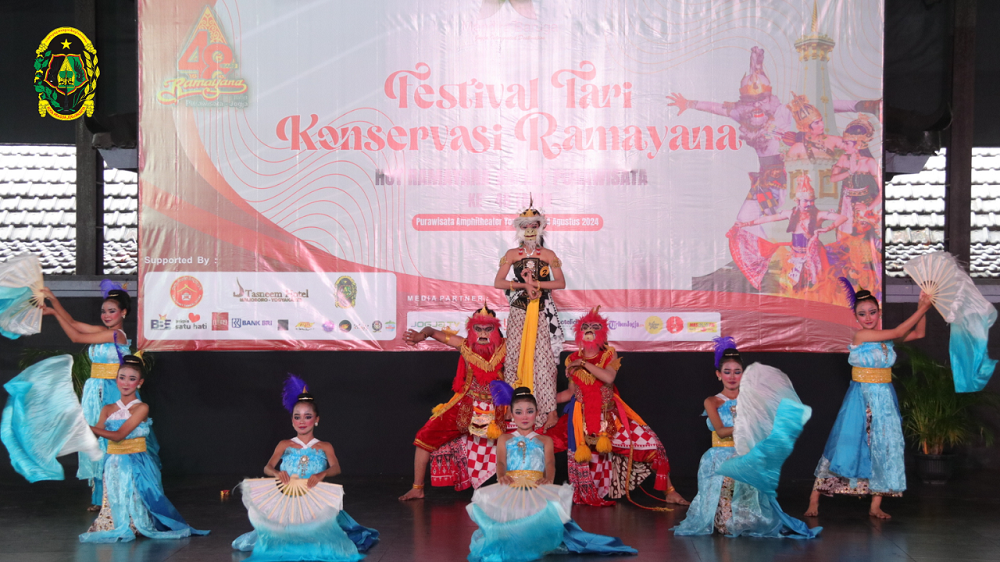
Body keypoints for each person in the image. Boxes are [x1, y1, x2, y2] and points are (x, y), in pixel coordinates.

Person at [806, 280, 932, 520]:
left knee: (883, 447)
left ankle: (875, 504)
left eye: (872, 312)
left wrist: (921, 307)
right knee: (845, 445)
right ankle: (815, 497)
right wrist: (923, 308)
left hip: (884, 398)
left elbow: (919, 333)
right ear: (856, 317)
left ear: (879, 312)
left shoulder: (885, 339)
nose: (868, 317)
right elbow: (897, 331)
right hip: (861, 397)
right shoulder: (861, 335)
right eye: (862, 314)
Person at [467, 387, 637, 561]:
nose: (524, 416)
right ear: (511, 414)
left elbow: (549, 462)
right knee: (508, 521)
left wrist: (548, 478)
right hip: (511, 485)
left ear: (537, 413)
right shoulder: (505, 438)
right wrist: (501, 474)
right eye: (519, 412)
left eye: (529, 411)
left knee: (540, 517)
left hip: (536, 485)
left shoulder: (545, 440)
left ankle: (534, 542)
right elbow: (501, 461)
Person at [673, 337, 819, 538]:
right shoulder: (712, 401)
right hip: (720, 455)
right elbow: (721, 431)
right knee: (726, 524)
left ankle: (746, 516)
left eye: (737, 372)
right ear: (718, 374)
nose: (732, 377)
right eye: (727, 372)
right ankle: (723, 516)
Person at [233, 375, 378, 560]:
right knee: (282, 537)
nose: (302, 421)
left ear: (316, 419)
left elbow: (336, 468)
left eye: (307, 417)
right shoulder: (285, 444)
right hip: (289, 498)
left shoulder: (324, 446)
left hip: (315, 500)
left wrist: (322, 474)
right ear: (292, 421)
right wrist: (278, 473)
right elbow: (267, 467)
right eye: (297, 417)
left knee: (323, 538)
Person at [41, 281, 157, 510]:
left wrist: (54, 308)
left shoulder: (117, 335)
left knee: (111, 438)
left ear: (123, 312)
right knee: (97, 440)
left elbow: (75, 336)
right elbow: (73, 324)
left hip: (112, 390)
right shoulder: (105, 332)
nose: (106, 315)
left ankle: (119, 493)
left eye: (111, 311)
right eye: (103, 311)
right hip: (95, 390)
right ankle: (100, 497)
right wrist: (54, 305)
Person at [557, 306, 688, 507]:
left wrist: (584, 364)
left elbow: (609, 377)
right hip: (580, 421)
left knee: (653, 446)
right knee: (547, 440)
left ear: (602, 332)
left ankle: (669, 491)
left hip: (610, 418)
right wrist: (543, 401)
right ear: (578, 332)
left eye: (595, 326)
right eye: (585, 327)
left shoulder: (608, 353)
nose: (589, 330)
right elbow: (570, 393)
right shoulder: (571, 359)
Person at [79, 355, 208, 542]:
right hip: (113, 462)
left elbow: (118, 435)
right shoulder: (107, 408)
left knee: (138, 497)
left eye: (132, 379)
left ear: (139, 383)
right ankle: (115, 523)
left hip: (137, 462)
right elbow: (96, 435)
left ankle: (136, 524)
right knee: (115, 497)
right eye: (122, 377)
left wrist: (87, 427)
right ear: (116, 379)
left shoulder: (141, 408)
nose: (125, 383)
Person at [398, 305, 509, 500]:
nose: (483, 333)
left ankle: (517, 487)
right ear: (471, 330)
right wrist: (420, 336)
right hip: (466, 405)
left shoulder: (507, 347)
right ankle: (418, 487)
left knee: (525, 439)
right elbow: (432, 331)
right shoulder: (463, 344)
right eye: (478, 329)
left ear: (496, 329)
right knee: (424, 437)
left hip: (499, 408)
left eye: (488, 329)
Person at [494, 199, 565, 430]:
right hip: (519, 310)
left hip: (542, 311)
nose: (530, 230)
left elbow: (561, 283)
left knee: (543, 360)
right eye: (525, 226)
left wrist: (537, 285)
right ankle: (509, 408)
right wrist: (523, 287)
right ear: (520, 229)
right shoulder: (512, 254)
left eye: (534, 225)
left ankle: (550, 411)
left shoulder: (548, 254)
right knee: (514, 356)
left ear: (541, 227)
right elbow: (498, 282)